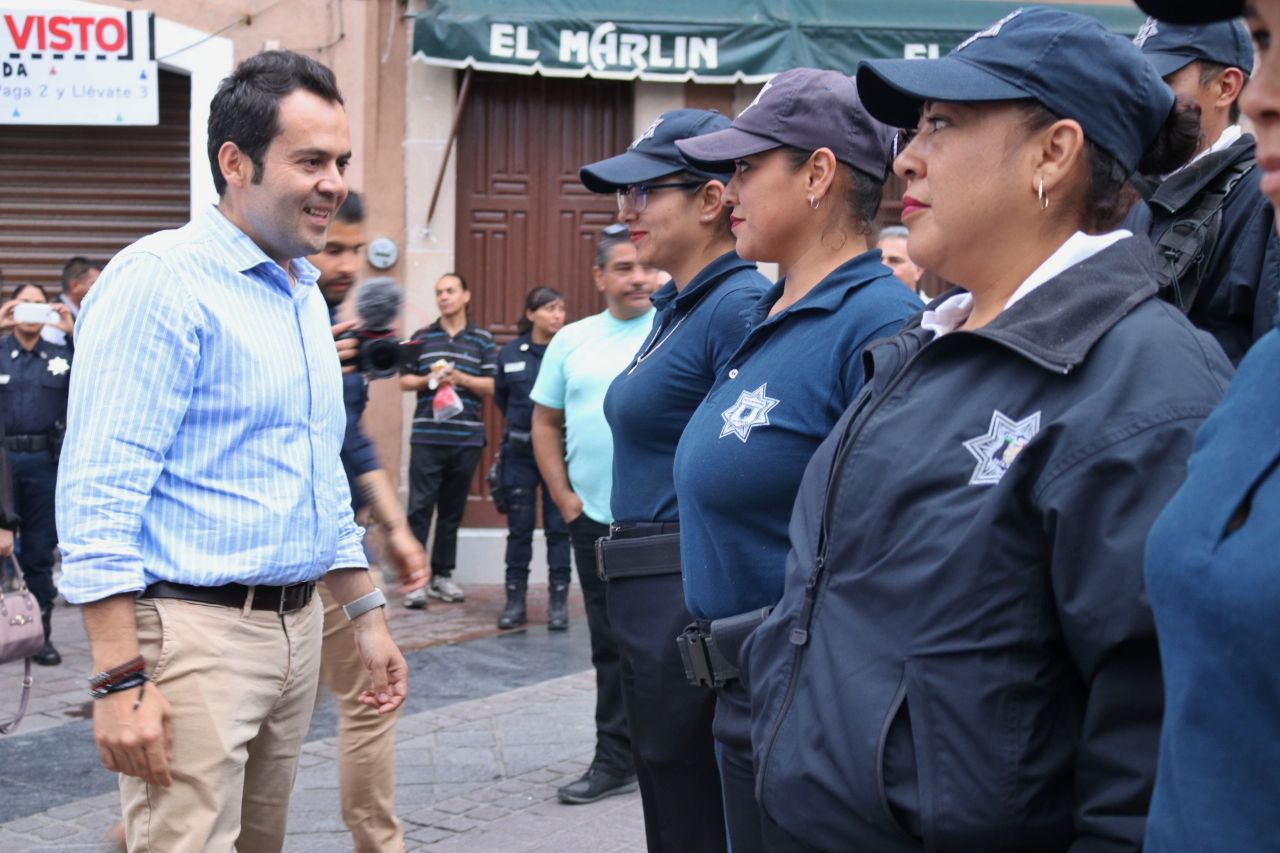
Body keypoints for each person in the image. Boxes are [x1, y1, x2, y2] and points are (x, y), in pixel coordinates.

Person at [735, 10, 1231, 851]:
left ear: (1054, 152)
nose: (907, 156)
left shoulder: (1145, 387)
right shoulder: (926, 342)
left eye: (942, 123)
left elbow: (1150, 760)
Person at [55, 50, 407, 852]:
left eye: (341, 161)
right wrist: (118, 677)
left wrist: (364, 613)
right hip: (193, 635)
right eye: (310, 161)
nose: (334, 183)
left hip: (295, 631)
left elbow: (318, 476)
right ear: (235, 162)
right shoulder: (161, 279)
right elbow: (98, 491)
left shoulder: (300, 290)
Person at [670, 69, 922, 850]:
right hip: (748, 695)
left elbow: (883, 547)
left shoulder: (876, 321)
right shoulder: (777, 308)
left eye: (747, 167)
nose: (730, 189)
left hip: (809, 707)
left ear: (817, 174)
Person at [582, 108, 770, 852]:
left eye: (644, 191)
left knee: (693, 801)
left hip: (683, 587)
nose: (626, 210)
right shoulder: (680, 306)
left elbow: (753, 467)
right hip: (643, 586)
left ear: (712, 199)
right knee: (665, 784)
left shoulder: (736, 306)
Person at [1135, 0, 1280, 849]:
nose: (1267, 94)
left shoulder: (1252, 201)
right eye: (1265, 40)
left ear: (1223, 88)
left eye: (1167, 81)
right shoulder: (1144, 200)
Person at [309, 189, 427, 853]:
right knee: (249, 718)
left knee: (370, 697)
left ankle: (380, 845)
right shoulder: (269, 315)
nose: (348, 265)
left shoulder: (339, 332)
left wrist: (396, 527)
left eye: (356, 249)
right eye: (333, 248)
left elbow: (351, 443)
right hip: (254, 554)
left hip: (337, 547)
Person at [530, 223, 660, 804]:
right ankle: (616, 757)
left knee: (669, 642)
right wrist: (565, 498)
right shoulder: (572, 339)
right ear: (600, 277)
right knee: (610, 643)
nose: (639, 277)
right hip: (594, 520)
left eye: (646, 265)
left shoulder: (676, 328)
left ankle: (672, 754)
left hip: (663, 519)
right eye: (624, 268)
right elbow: (544, 420)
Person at [1126, 14, 1280, 363]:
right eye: (1140, 81)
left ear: (1226, 87)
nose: (1145, 99)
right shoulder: (1122, 190)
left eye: (1163, 81)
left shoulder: (1264, 200)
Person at [400, 272, 496, 606]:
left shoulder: (482, 340)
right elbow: (404, 381)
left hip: (466, 438)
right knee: (419, 509)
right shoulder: (422, 337)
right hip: (427, 436)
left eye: (450, 291)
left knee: (451, 512)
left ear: (466, 296)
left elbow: (492, 385)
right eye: (439, 292)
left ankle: (442, 576)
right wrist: (429, 378)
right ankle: (415, 581)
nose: (444, 297)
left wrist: (460, 377)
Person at [0, 283, 75, 666]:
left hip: (45, 464)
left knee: (40, 553)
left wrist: (72, 333)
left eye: (37, 304)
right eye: (23, 303)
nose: (30, 310)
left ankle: (39, 635)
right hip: (2, 462)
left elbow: (96, 376)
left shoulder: (61, 356)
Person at [493, 285, 571, 630]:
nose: (558, 315)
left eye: (561, 309)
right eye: (550, 308)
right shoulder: (511, 353)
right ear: (530, 314)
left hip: (558, 453)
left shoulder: (568, 350)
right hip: (519, 453)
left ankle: (558, 605)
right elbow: (501, 397)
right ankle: (515, 603)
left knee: (558, 529)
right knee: (519, 529)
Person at [42, 257, 102, 346]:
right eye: (95, 284)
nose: (100, 289)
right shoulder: (54, 315)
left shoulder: (93, 313)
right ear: (75, 285)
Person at [877, 225, 927, 298]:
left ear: (918, 270)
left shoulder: (935, 306)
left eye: (894, 260)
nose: (883, 266)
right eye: (879, 260)